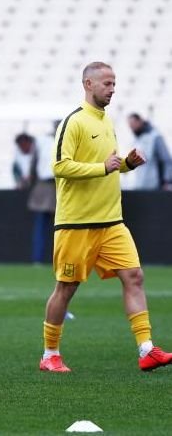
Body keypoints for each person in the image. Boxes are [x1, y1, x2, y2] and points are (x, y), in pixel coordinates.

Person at [39, 62, 172, 373]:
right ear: (88, 84)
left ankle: (146, 349)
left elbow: (110, 165)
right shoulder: (73, 122)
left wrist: (127, 164)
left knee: (134, 276)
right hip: (76, 224)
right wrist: (104, 167)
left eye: (114, 84)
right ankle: (50, 355)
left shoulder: (106, 121)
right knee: (66, 288)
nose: (112, 89)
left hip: (111, 222)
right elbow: (60, 166)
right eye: (107, 84)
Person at [27, 124, 58, 264]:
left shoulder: (73, 140)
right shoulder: (42, 141)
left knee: (64, 228)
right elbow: (34, 164)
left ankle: (62, 259)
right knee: (41, 225)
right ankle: (37, 258)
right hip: (46, 185)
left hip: (62, 186)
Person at [125, 113, 172, 190]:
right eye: (130, 126)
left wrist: (166, 181)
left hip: (155, 186)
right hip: (140, 186)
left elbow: (166, 160)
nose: (132, 128)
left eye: (133, 124)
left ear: (140, 121)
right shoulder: (136, 140)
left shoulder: (155, 137)